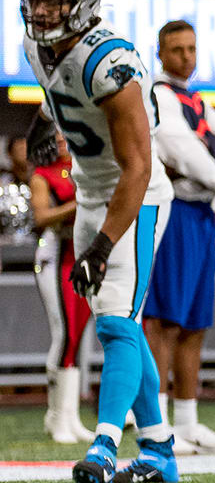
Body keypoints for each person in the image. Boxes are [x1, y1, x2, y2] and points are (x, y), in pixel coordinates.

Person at [20, 0, 177, 483]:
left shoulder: (111, 63)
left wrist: (103, 244)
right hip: (90, 193)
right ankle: (159, 451)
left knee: (113, 322)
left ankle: (106, 445)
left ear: (84, 3)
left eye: (54, 2)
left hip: (138, 195)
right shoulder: (39, 46)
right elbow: (56, 91)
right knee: (122, 322)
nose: (41, 12)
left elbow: (138, 168)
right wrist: (43, 124)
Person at [144, 19, 215, 454]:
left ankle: (187, 422)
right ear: (161, 53)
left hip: (202, 213)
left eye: (191, 48)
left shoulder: (198, 99)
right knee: (164, 320)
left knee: (194, 321)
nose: (186, 57)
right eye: (177, 49)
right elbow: (183, 151)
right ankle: (157, 424)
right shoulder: (158, 95)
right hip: (173, 212)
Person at [29, 129, 95, 444]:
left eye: (65, 135)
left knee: (77, 335)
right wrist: (80, 204)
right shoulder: (42, 175)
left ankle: (70, 415)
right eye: (54, 137)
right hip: (56, 253)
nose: (61, 141)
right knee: (64, 333)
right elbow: (41, 217)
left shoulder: (86, 167)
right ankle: (56, 415)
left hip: (81, 254)